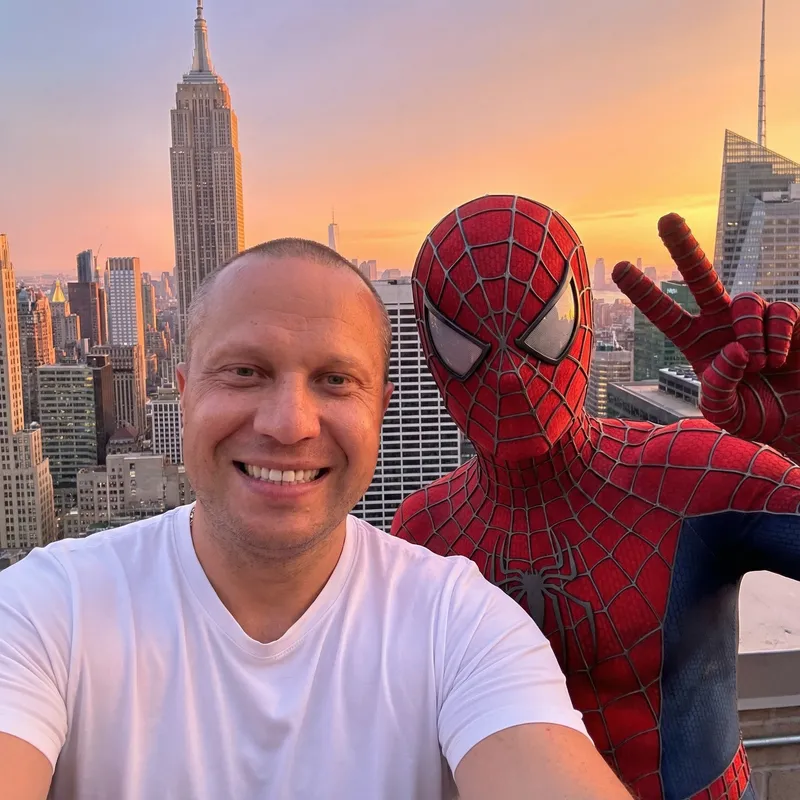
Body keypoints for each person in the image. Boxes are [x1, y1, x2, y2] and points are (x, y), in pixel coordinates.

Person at [0, 238, 631, 800]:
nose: (288, 423)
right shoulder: (48, 612)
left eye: (334, 380)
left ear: (380, 409)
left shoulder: (462, 626)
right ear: (185, 392)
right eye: (245, 372)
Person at [392, 194, 800, 800]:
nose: (507, 373)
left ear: (581, 318)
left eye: (542, 333)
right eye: (465, 345)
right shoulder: (422, 529)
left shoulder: (689, 473)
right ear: (429, 350)